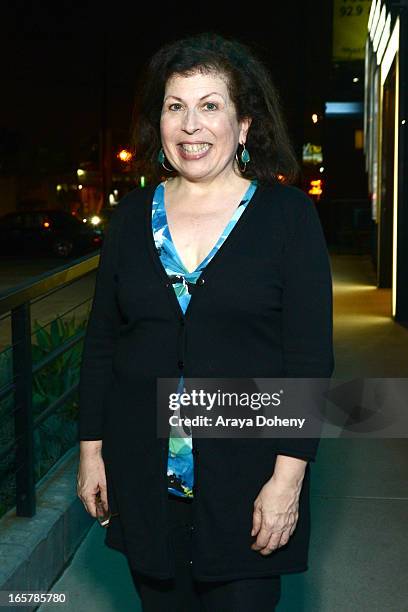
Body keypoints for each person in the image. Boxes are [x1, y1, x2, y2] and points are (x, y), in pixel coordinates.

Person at [76, 32, 334, 611]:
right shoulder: (130, 219)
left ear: (244, 125)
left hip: (248, 480)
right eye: (176, 107)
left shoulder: (288, 217)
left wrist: (288, 480)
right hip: (143, 477)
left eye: (210, 106)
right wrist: (92, 450)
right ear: (159, 123)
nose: (191, 125)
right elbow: (102, 343)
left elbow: (310, 361)